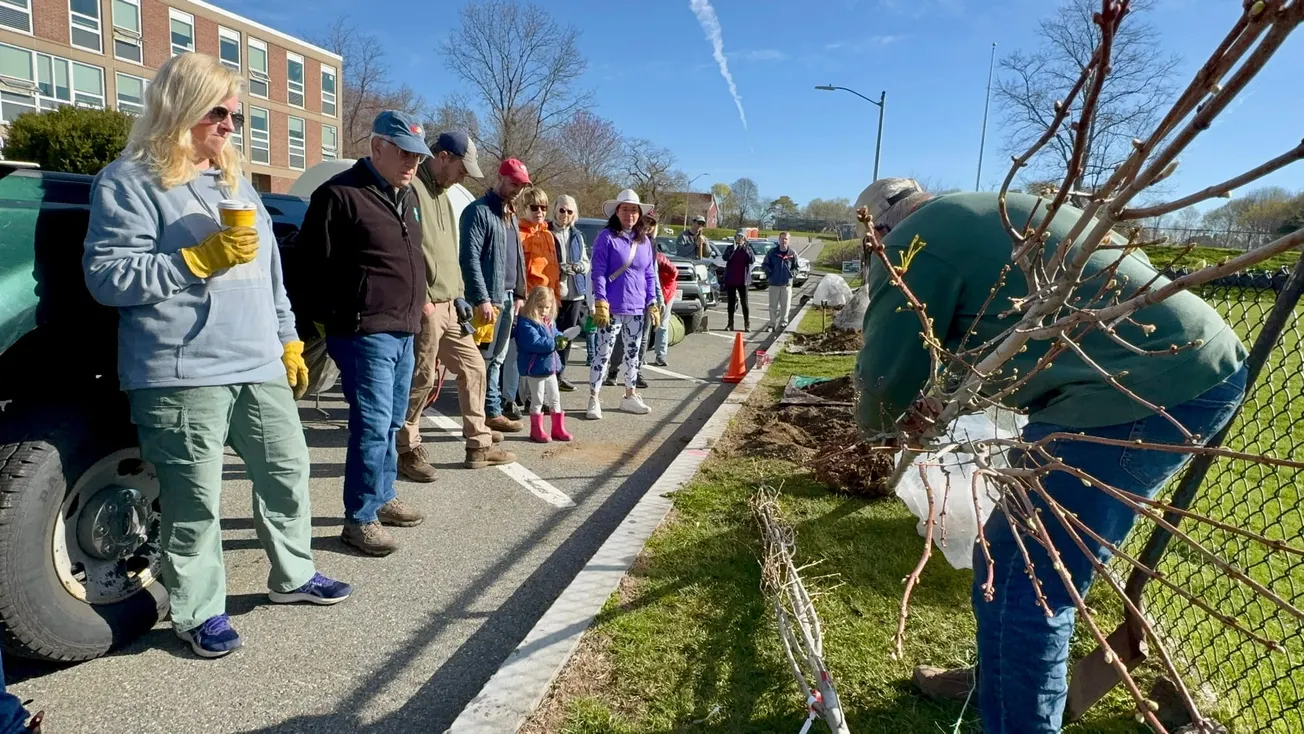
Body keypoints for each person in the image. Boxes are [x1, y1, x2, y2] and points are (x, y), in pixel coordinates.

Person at [853, 178, 1249, 733]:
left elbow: (884, 373)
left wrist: (877, 429)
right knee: (1015, 564)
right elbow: (1010, 333)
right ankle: (1003, 682)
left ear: (880, 229)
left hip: (1138, 386)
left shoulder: (912, 244)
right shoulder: (992, 210)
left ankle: (1018, 712)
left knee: (1024, 575)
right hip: (1187, 361)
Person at [82, 53, 352, 657]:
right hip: (181, 370)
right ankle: (198, 611)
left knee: (287, 472)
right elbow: (106, 277)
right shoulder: (129, 180)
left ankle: (294, 575)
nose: (231, 125)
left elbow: (272, 274)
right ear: (180, 109)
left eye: (237, 115)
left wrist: (286, 337)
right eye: (219, 113)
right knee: (194, 498)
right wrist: (197, 260)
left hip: (258, 361)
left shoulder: (236, 181)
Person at [297, 110, 432, 557]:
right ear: (377, 147)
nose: (413, 164)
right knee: (372, 424)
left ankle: (382, 496)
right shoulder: (339, 195)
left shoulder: (406, 197)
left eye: (418, 156)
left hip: (403, 327)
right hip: (364, 330)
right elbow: (310, 268)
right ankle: (359, 518)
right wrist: (330, 321)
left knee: (392, 422)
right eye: (405, 153)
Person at [396, 130, 516, 483]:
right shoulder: (412, 191)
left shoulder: (443, 195)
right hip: (428, 306)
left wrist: (462, 294)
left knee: (475, 367)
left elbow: (450, 254)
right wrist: (422, 301)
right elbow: (409, 252)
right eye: (463, 168)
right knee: (422, 377)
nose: (465, 176)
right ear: (444, 157)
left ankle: (478, 446)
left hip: (451, 304)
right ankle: (406, 447)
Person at [461, 159, 530, 430]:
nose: (517, 189)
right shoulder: (478, 212)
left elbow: (518, 257)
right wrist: (482, 298)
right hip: (489, 299)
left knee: (498, 358)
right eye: (514, 183)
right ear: (499, 178)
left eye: (522, 186)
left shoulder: (510, 214)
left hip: (509, 297)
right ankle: (480, 415)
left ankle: (491, 411)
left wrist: (521, 292)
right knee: (480, 359)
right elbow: (469, 259)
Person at [587, 189, 660, 419]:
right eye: (625, 209)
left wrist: (652, 301)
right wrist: (600, 299)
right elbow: (598, 270)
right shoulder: (606, 237)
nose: (630, 214)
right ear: (617, 211)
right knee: (603, 352)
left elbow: (649, 273)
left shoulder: (645, 241)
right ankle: (594, 398)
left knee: (633, 353)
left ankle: (630, 395)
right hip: (611, 306)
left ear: (640, 214)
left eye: (634, 210)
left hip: (637, 307)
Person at [513, 286, 574, 443]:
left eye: (547, 307)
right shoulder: (526, 323)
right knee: (538, 399)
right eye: (540, 307)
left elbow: (556, 334)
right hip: (535, 369)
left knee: (555, 398)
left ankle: (557, 428)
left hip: (550, 368)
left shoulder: (549, 322)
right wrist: (555, 342)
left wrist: (562, 337)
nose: (544, 310)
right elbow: (534, 343)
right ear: (532, 304)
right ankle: (536, 430)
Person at [550, 195, 590, 391]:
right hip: (552, 294)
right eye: (562, 210)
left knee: (567, 337)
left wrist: (578, 267)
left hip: (574, 294)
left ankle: (560, 374)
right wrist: (559, 268)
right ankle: (546, 375)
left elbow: (586, 261)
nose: (565, 215)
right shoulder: (546, 232)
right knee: (549, 336)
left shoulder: (577, 236)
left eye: (569, 211)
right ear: (555, 210)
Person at [651, 232, 680, 367]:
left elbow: (675, 272)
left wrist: (663, 289)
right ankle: (639, 357)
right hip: (650, 294)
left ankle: (661, 355)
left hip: (666, 294)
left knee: (662, 324)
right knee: (645, 326)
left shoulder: (660, 259)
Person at [762, 231, 797, 332]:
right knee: (773, 306)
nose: (783, 241)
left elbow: (796, 267)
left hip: (786, 284)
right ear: (779, 239)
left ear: (788, 240)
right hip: (774, 283)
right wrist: (770, 273)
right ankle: (771, 325)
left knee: (785, 306)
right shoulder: (772, 252)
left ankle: (783, 324)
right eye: (782, 238)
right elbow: (765, 264)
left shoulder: (792, 253)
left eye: (786, 239)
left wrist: (791, 275)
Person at [721, 230, 755, 331]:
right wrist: (733, 250)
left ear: (744, 239)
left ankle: (747, 324)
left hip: (743, 280)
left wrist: (745, 249)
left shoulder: (748, 248)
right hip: (731, 279)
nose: (739, 239)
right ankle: (730, 323)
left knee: (744, 303)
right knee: (731, 303)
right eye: (737, 237)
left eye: (741, 237)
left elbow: (751, 260)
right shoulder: (730, 248)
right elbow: (725, 258)